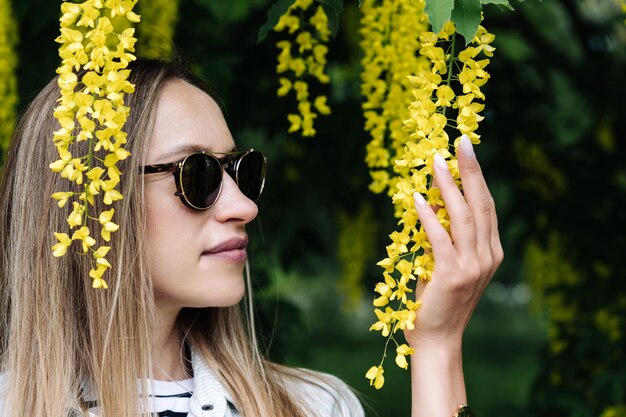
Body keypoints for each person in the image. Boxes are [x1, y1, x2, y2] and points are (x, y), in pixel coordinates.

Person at [0, 58, 503, 417]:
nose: (244, 207)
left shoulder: (314, 407)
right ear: (86, 201)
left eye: (243, 170)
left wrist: (437, 348)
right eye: (197, 175)